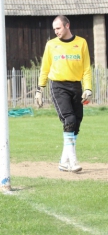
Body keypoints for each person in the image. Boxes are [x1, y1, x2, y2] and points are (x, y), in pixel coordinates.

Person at [35, 15, 92, 173]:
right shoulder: (51, 45)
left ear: (67, 26)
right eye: (54, 29)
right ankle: (73, 161)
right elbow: (45, 68)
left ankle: (63, 161)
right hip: (58, 85)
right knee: (69, 119)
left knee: (77, 122)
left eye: (58, 28)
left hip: (76, 86)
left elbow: (87, 68)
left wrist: (88, 88)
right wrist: (40, 89)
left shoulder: (81, 43)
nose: (56, 31)